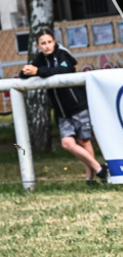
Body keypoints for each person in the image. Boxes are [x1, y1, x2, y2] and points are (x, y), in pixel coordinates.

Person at [19, 27, 109, 185]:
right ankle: (99, 168)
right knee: (67, 143)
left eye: (49, 42)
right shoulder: (39, 59)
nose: (47, 46)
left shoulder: (62, 54)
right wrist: (26, 71)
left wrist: (38, 71)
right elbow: (26, 74)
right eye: (43, 43)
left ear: (54, 42)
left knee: (84, 141)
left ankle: (90, 178)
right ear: (38, 46)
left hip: (77, 105)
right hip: (61, 111)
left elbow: (65, 68)